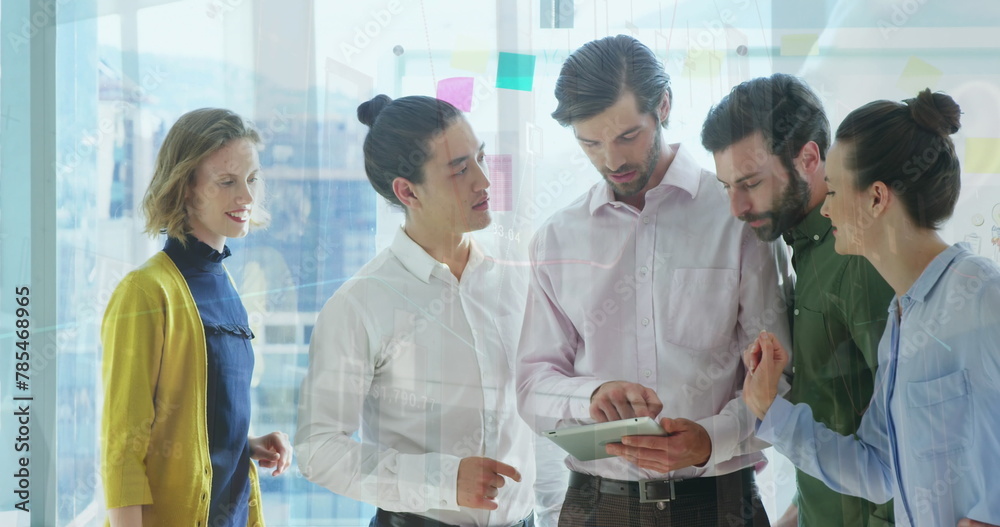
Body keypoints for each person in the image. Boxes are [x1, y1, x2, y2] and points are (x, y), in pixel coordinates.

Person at [515, 34, 792, 526]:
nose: (611, 160)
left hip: (720, 505)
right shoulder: (557, 240)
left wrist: (711, 438)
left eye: (627, 136)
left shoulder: (737, 218)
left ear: (663, 106)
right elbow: (533, 386)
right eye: (590, 143)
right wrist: (589, 397)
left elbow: (780, 376)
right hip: (595, 508)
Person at [743, 89, 1000, 527]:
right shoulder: (900, 321)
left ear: (877, 198)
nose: (824, 209)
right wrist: (774, 412)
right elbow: (878, 470)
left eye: (835, 191)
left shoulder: (980, 294)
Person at [295, 95, 539, 527]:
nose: (484, 180)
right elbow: (319, 449)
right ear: (407, 191)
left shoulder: (518, 280)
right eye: (460, 169)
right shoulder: (361, 303)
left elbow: (537, 424)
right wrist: (442, 480)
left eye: (480, 158)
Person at [701, 73, 896, 527]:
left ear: (810, 157)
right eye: (725, 186)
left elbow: (907, 447)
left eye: (750, 182)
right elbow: (836, 419)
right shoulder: (801, 251)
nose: (736, 207)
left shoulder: (858, 257)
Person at [101, 108, 293, 527]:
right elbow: (123, 448)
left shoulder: (224, 282)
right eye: (227, 182)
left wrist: (246, 444)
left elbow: (201, 418)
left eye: (252, 179)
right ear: (185, 188)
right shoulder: (145, 291)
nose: (246, 197)